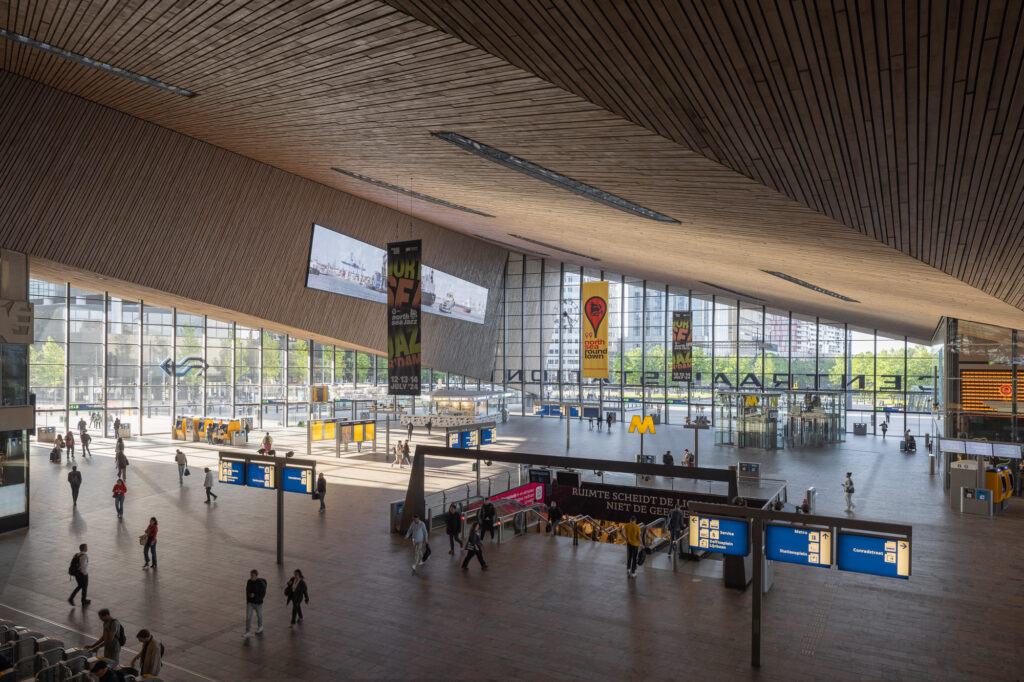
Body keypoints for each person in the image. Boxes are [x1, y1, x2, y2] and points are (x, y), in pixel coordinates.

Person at [243, 569, 267, 637]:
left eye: (253, 575)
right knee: (248, 617)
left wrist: (256, 596)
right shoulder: (249, 581)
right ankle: (247, 631)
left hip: (258, 603)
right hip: (250, 602)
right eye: (251, 575)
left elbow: (262, 593)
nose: (251, 577)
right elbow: (247, 591)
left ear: (256, 576)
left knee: (259, 615)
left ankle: (260, 626)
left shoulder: (260, 583)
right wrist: (249, 596)